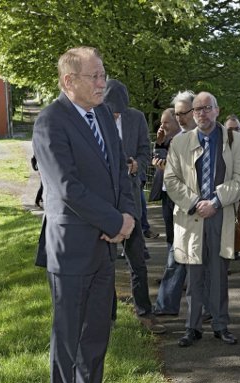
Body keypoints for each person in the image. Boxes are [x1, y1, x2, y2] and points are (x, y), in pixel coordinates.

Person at [32, 46, 137, 383]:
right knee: (68, 332)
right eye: (93, 76)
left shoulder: (103, 117)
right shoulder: (50, 122)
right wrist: (114, 222)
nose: (102, 82)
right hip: (71, 247)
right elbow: (67, 186)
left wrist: (125, 219)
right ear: (68, 81)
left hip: (105, 244)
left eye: (103, 74)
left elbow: (120, 173)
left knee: (97, 328)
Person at [165, 91, 240, 347]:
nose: (201, 113)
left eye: (206, 108)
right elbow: (170, 179)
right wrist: (194, 203)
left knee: (219, 273)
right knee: (194, 273)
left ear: (217, 110)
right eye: (197, 109)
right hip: (191, 216)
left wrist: (215, 201)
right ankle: (192, 327)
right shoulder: (180, 143)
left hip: (220, 214)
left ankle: (220, 325)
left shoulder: (235, 140)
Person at [103, 79, 164, 335]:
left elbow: (143, 152)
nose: (115, 114)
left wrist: (136, 167)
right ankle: (109, 316)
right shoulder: (96, 117)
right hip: (105, 201)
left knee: (137, 260)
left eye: (119, 110)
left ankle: (144, 312)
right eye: (112, 109)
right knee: (106, 263)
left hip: (131, 196)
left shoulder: (136, 118)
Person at [152, 107, 186, 316]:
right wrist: (159, 143)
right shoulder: (167, 141)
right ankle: (170, 293)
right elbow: (157, 158)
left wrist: (168, 169)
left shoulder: (184, 140)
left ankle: (166, 302)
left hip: (179, 199)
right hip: (167, 197)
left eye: (166, 122)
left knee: (177, 248)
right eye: (161, 122)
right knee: (172, 244)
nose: (162, 126)